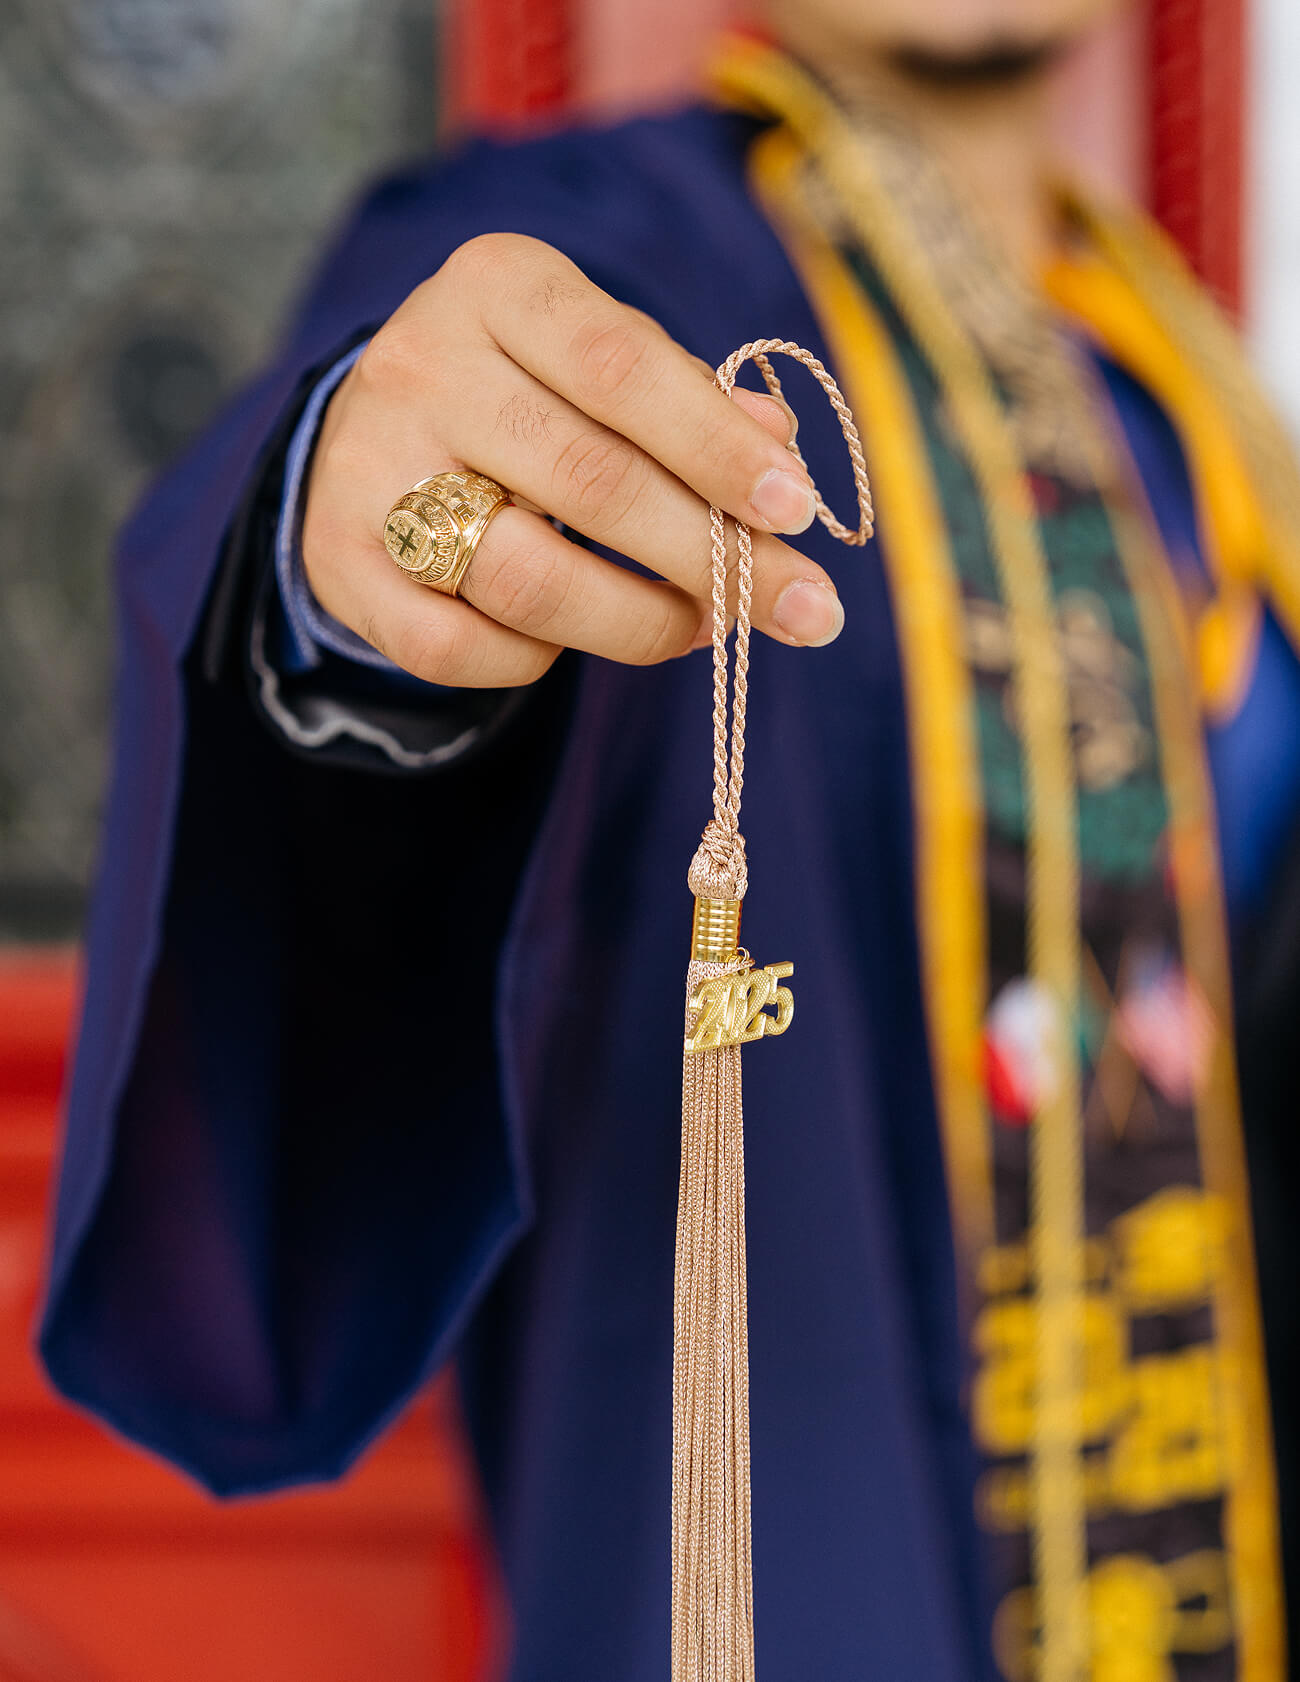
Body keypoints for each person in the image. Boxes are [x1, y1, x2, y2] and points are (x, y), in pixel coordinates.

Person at [39, 0, 1300, 1676]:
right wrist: (351, 570)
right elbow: (371, 522)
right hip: (820, 1527)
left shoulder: (1182, 389)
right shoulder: (609, 258)